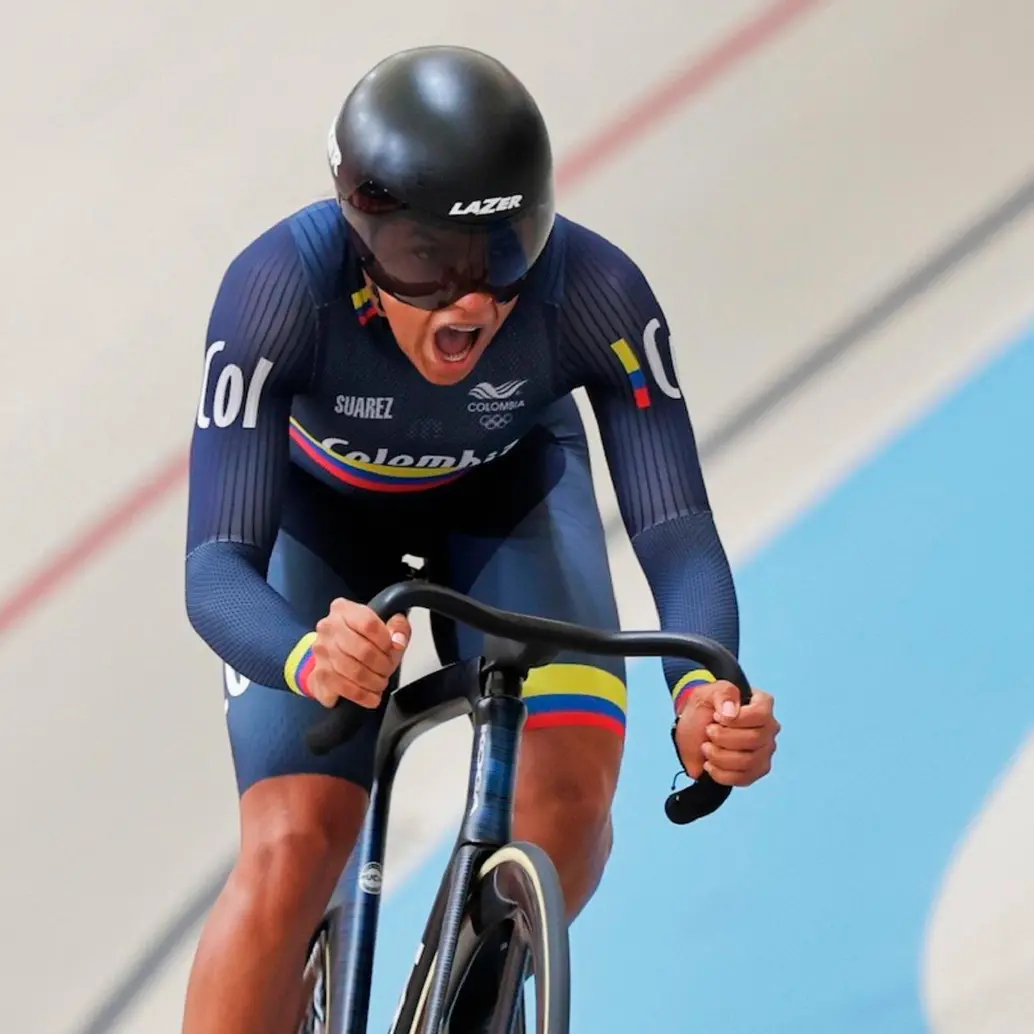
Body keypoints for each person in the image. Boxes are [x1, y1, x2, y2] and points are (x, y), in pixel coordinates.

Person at [182, 43, 781, 1034]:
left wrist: (701, 690)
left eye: (505, 250)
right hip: (318, 523)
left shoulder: (596, 292)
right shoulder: (277, 290)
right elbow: (214, 569)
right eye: (428, 258)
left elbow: (675, 529)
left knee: (568, 810)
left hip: (506, 494)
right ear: (361, 240)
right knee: (295, 846)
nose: (470, 298)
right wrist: (304, 655)